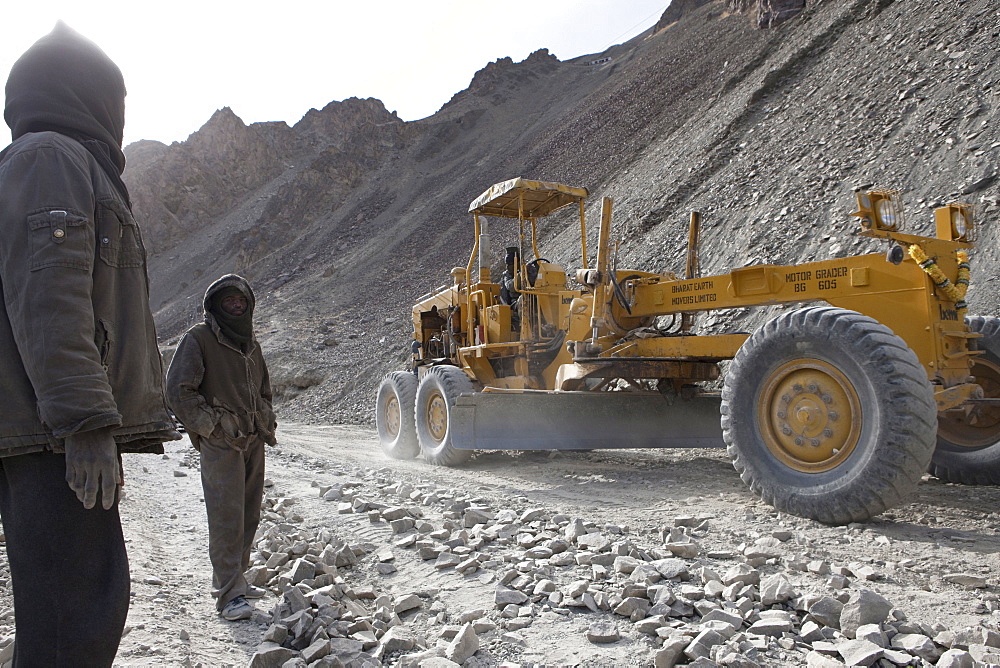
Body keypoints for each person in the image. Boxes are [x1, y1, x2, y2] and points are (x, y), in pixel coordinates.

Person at [0, 22, 180, 666]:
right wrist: (84, 423)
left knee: (80, 609)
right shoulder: (49, 157)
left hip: (52, 432)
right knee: (72, 623)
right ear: (88, 94)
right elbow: (50, 301)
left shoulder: (63, 162)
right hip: (53, 437)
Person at [165, 274, 277, 621]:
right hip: (221, 443)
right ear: (214, 306)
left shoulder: (251, 345)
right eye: (228, 301)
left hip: (252, 439)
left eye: (241, 301)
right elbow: (178, 392)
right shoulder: (199, 339)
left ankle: (238, 579)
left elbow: (264, 390)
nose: (236, 306)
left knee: (249, 511)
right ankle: (228, 594)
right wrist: (211, 426)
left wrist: (265, 418)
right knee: (226, 515)